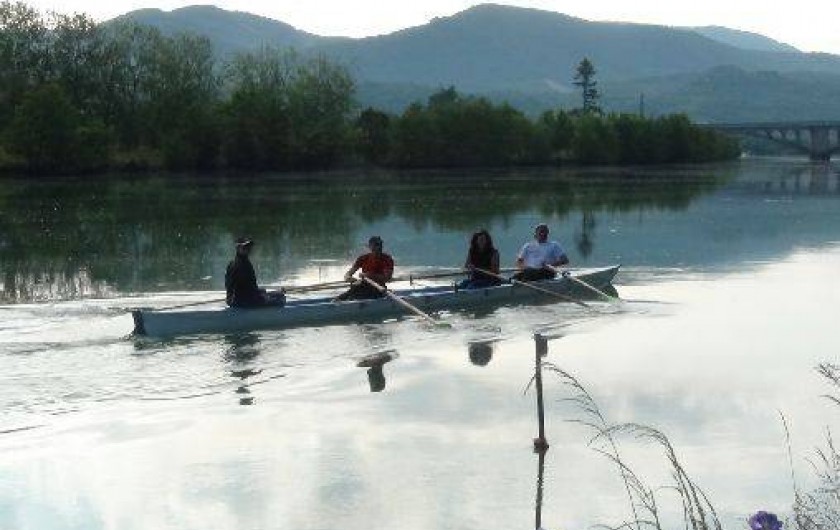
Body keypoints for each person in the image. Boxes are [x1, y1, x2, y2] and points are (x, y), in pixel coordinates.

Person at [224, 238, 285, 308]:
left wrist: (260, 292)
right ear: (238, 249)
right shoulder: (240, 265)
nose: (248, 250)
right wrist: (261, 297)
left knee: (274, 294)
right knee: (280, 300)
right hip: (242, 302)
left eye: (248, 248)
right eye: (244, 248)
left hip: (239, 300)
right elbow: (246, 289)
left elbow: (245, 287)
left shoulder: (238, 262)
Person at [335, 236, 394, 301]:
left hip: (378, 289)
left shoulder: (387, 259)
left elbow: (387, 278)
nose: (378, 247)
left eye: (380, 245)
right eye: (376, 245)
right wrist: (348, 277)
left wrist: (369, 275)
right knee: (356, 286)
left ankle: (343, 299)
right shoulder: (363, 258)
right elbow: (349, 273)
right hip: (362, 287)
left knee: (356, 289)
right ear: (370, 246)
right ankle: (343, 299)